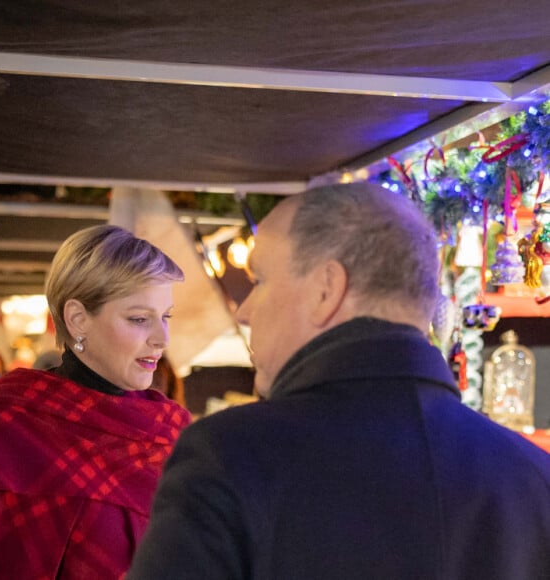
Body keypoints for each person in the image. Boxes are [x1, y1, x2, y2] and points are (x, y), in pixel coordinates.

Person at [129, 183, 550, 580]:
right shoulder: (534, 478)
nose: (245, 310)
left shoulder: (231, 455)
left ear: (325, 290)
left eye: (260, 281)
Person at [0, 224, 191, 579]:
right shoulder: (2, 422)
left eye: (166, 317)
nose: (161, 338)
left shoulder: (173, 432)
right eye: (139, 319)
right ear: (77, 319)